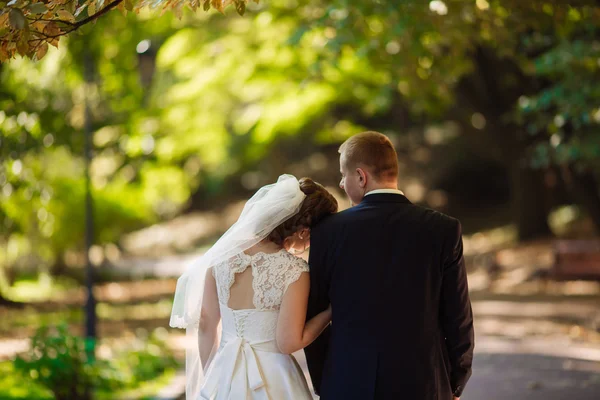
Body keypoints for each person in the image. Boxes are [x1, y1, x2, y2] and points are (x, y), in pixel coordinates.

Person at [305, 131, 475, 400]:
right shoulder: (442, 229)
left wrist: (325, 383)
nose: (340, 182)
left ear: (361, 177)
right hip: (424, 384)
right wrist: (455, 382)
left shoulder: (328, 232)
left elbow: (314, 314)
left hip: (348, 383)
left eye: (343, 175)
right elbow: (458, 317)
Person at [170, 174, 338, 399]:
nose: (310, 244)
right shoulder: (294, 271)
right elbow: (288, 342)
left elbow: (206, 323)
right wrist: (328, 313)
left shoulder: (221, 258)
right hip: (274, 379)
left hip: (223, 373)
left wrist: (211, 372)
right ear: (303, 231)